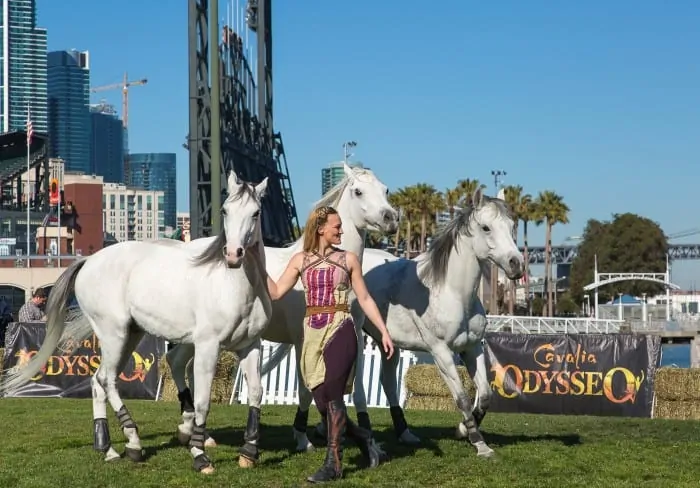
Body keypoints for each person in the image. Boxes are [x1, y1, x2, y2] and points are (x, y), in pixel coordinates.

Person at [258, 205, 395, 483]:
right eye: (336, 226)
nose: (341, 230)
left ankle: (333, 463)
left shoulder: (349, 259)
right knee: (322, 400)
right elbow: (275, 292)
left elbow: (365, 299)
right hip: (311, 331)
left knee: (333, 394)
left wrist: (383, 331)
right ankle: (365, 439)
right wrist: (255, 263)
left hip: (341, 326)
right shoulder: (300, 260)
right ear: (321, 228)